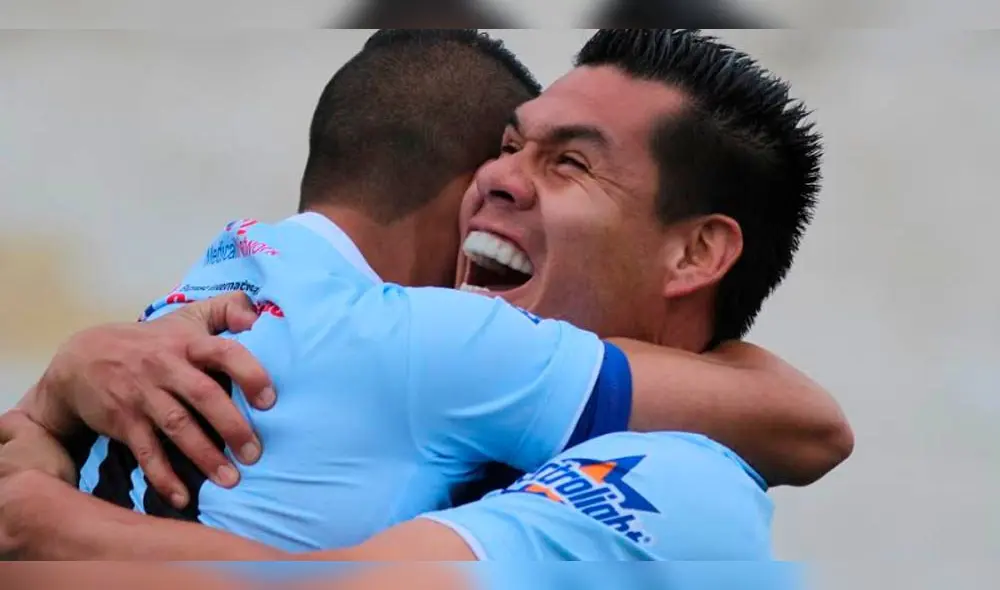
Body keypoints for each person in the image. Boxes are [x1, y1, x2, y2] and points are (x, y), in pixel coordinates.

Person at [1, 29, 850, 562]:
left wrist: (49, 529)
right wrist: (55, 396)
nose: (493, 180)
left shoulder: (677, 481)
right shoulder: (400, 372)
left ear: (697, 251)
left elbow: (813, 427)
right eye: (509, 145)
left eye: (569, 164)